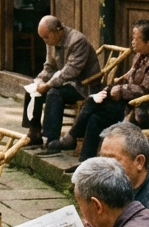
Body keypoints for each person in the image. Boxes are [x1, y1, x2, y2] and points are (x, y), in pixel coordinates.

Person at [62, 20, 149, 160]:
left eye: (135, 39)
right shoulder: (141, 54)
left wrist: (121, 90)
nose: (132, 42)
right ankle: (86, 161)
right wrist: (114, 88)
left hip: (144, 107)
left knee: (94, 103)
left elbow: (146, 90)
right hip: (128, 100)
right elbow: (131, 78)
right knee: (95, 117)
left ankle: (72, 136)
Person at [25, 15, 100, 151]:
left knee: (54, 93)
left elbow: (70, 71)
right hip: (64, 81)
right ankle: (34, 132)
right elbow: (49, 66)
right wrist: (39, 80)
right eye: (43, 38)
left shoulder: (77, 41)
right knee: (32, 88)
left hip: (82, 85)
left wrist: (48, 85)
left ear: (58, 30)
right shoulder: (51, 41)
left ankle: (51, 140)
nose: (45, 41)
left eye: (47, 37)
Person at [98, 123, 149, 218]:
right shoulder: (112, 188)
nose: (104, 166)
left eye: (113, 160)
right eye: (102, 158)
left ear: (139, 162)